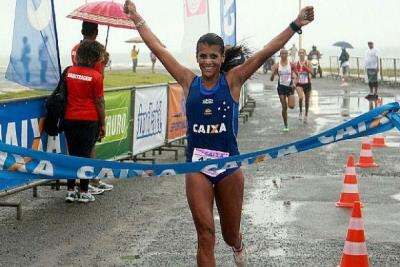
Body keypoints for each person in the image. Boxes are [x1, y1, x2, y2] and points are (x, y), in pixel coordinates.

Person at [124, 1, 314, 266]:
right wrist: (136, 18)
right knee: (205, 234)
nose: (208, 61)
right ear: (197, 57)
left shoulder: (233, 80)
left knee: (228, 234)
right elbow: (159, 48)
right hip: (198, 167)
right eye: (203, 56)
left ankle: (237, 244)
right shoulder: (188, 81)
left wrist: (296, 25)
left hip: (229, 166)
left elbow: (265, 52)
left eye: (213, 56)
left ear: (222, 58)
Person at [71, 21, 113, 194]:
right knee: (89, 146)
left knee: (76, 149)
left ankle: (78, 185)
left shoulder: (75, 47)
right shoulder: (96, 51)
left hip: (74, 102)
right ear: (96, 32)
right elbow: (99, 77)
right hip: (90, 105)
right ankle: (90, 182)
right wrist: (103, 61)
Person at [64, 40, 107, 203]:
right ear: (94, 57)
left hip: (69, 118)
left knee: (72, 155)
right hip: (89, 119)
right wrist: (103, 123)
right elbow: (99, 101)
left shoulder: (69, 72)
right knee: (85, 156)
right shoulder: (96, 77)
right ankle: (83, 191)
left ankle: (69, 190)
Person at [270, 49, 298, 131]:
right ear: (280, 55)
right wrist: (273, 72)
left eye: (285, 53)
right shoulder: (276, 65)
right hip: (281, 87)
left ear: (287, 55)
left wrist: (295, 84)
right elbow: (271, 79)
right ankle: (286, 125)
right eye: (282, 54)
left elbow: (298, 76)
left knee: (291, 106)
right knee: (284, 106)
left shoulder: (292, 65)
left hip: (290, 86)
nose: (284, 55)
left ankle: (286, 123)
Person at [295, 48, 313, 123]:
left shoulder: (308, 62)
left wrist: (306, 68)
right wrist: (295, 79)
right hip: (299, 83)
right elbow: (294, 73)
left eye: (303, 53)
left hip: (307, 83)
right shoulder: (296, 63)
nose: (301, 54)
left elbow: (312, 73)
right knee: (301, 97)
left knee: (307, 101)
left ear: (305, 54)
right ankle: (300, 112)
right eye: (300, 53)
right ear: (298, 54)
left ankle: (306, 115)